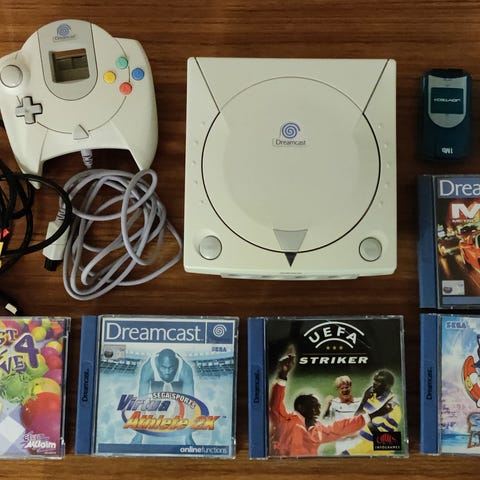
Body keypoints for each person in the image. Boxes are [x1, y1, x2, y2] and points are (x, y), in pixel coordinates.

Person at [268, 352, 368, 457]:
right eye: (314, 406)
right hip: (283, 464)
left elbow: (338, 429)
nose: (318, 411)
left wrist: (366, 418)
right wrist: (282, 375)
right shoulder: (284, 421)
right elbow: (275, 404)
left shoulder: (318, 429)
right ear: (301, 407)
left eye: (318, 407)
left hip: (308, 466)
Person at [132, 348, 195, 444]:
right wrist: (139, 434)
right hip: (156, 379)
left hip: (177, 380)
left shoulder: (185, 371)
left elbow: (190, 405)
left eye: (171, 367)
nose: (167, 371)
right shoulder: (148, 369)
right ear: (158, 364)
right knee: (155, 399)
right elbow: (141, 402)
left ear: (176, 364)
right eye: (163, 367)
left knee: (180, 402)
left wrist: (188, 436)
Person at [345, 369, 402, 455]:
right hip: (361, 443)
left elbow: (385, 440)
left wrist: (367, 420)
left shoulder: (393, 407)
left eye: (378, 382)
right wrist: (364, 400)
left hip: (377, 449)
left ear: (387, 386)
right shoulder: (371, 395)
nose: (374, 383)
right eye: (374, 380)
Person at [322, 375, 362, 454]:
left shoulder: (360, 402)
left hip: (357, 442)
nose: (345, 390)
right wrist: (327, 406)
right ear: (338, 389)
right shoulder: (334, 403)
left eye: (347, 387)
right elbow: (324, 421)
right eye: (342, 388)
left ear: (350, 387)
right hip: (342, 444)